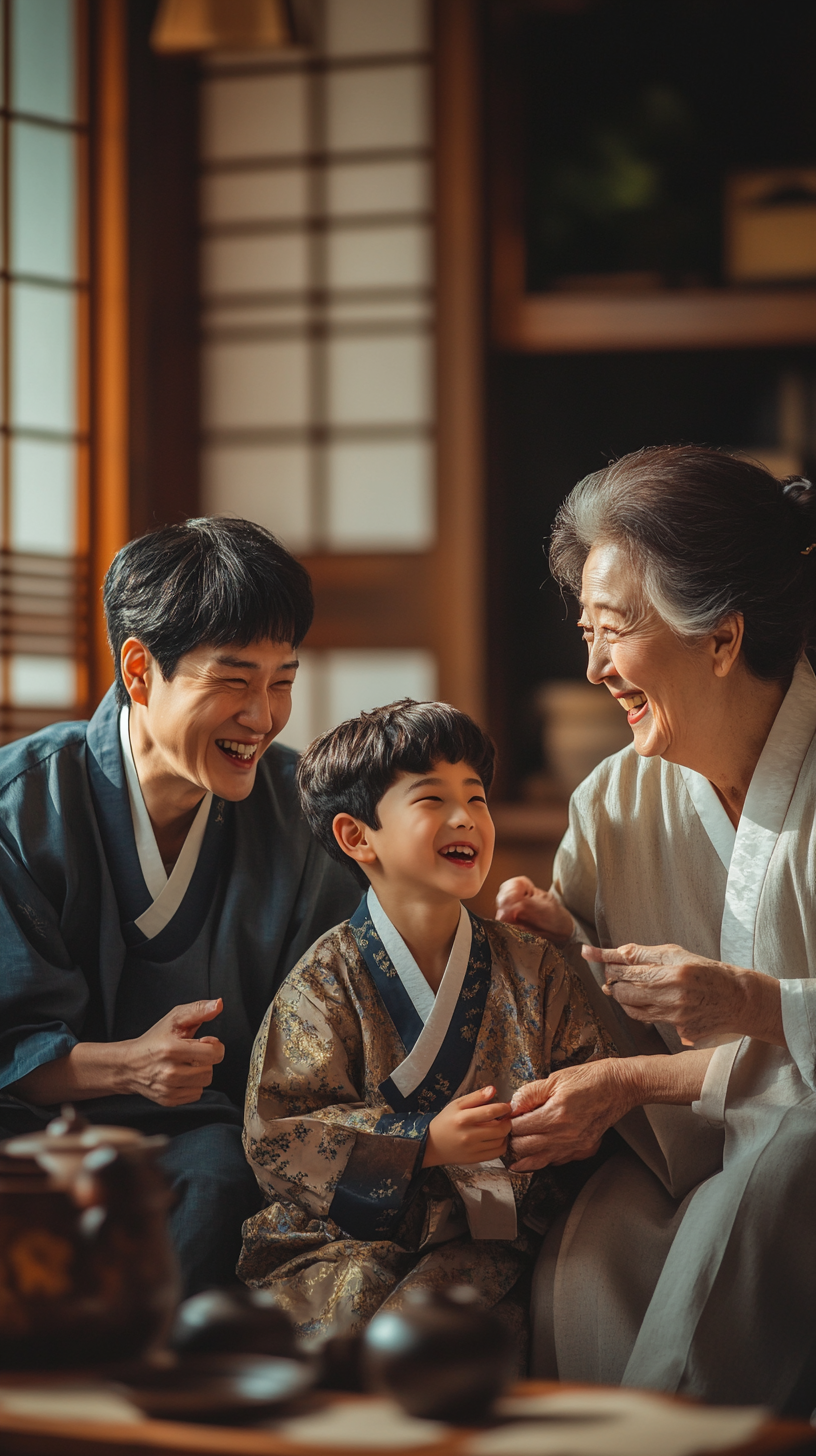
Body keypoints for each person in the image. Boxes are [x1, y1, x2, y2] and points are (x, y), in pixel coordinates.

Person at [495, 445, 816, 1414]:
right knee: (591, 1256)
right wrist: (557, 954)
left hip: (793, 1151)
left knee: (765, 1183)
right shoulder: (616, 799)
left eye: (615, 631)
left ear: (719, 635)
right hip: (674, 1145)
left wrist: (756, 1003)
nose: (593, 666)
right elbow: (612, 1035)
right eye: (586, 631)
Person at [0, 517, 359, 1294]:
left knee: (220, 1177)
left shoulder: (300, 816)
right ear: (138, 670)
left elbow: (340, 1002)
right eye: (233, 681)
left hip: (201, 1132)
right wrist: (129, 1065)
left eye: (282, 681)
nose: (262, 716)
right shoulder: (22, 808)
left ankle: (163, 1400)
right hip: (27, 1128)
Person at [239, 699, 613, 1345]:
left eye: (476, 797)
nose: (465, 816)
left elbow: (590, 1082)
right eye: (432, 800)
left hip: (489, 1240)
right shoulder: (326, 982)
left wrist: (562, 1127)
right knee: (348, 1321)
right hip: (342, 1242)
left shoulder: (533, 967)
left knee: (442, 1333)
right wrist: (426, 1142)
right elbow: (276, 1131)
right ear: (357, 837)